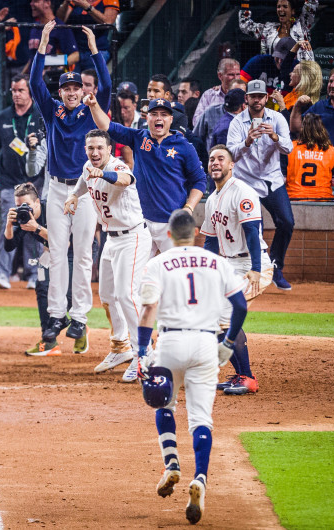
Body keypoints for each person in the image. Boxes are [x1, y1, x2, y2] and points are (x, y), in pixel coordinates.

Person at [136, 209, 248, 525]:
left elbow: (148, 309)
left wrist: (142, 351)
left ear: (169, 235)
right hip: (205, 345)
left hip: (170, 344)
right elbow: (240, 306)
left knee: (164, 402)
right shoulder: (217, 263)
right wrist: (227, 344)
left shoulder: (157, 264)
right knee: (201, 419)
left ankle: (171, 464)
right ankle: (199, 478)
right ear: (196, 234)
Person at [30, 21, 109, 350]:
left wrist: (93, 49)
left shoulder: (92, 110)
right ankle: (55, 317)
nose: (72, 92)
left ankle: (79, 317)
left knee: (83, 256)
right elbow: (35, 82)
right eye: (67, 88)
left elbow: (105, 84)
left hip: (86, 190)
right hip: (57, 190)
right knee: (57, 253)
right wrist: (45, 41)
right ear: (61, 91)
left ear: (82, 90)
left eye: (76, 87)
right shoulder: (53, 111)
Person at [64, 129, 152, 382]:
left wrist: (102, 172)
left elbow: (125, 179)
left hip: (132, 236)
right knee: (107, 295)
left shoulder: (117, 166)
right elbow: (83, 181)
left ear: (109, 149)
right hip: (111, 239)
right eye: (90, 148)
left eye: (100, 148)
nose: (94, 152)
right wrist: (73, 195)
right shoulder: (87, 166)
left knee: (127, 295)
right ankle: (120, 347)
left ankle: (143, 353)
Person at [86, 94, 206, 260]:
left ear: (171, 119)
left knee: (174, 273)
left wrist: (189, 208)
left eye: (164, 115)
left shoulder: (184, 146)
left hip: (170, 222)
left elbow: (200, 180)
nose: (159, 118)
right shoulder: (138, 137)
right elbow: (107, 126)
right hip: (141, 223)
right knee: (139, 277)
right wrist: (93, 105)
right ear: (147, 117)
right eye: (154, 114)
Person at [200, 144, 273, 396]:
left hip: (253, 264)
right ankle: (241, 373)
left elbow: (252, 232)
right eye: (211, 159)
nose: (215, 163)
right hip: (229, 263)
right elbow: (210, 240)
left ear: (232, 165)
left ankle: (247, 377)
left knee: (223, 317)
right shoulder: (212, 199)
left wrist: (254, 269)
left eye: (221, 159)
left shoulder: (242, 192)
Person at [0, 73, 44, 291]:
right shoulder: (3, 117)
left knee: (34, 227)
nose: (16, 95)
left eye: (20, 90)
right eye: (13, 91)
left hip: (36, 184)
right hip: (10, 184)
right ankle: (1, 272)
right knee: (10, 223)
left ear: (30, 92)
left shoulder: (41, 115)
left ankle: (35, 274)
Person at [226, 79, 294, 290]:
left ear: (266, 98)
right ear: (246, 99)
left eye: (260, 96)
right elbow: (230, 153)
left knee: (287, 222)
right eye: (252, 96)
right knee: (255, 231)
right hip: (246, 182)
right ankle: (257, 273)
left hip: (272, 179)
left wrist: (274, 137)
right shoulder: (237, 122)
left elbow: (289, 148)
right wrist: (246, 142)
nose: (257, 100)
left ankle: (275, 266)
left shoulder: (277, 118)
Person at [4, 183, 60, 356]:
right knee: (42, 286)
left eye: (27, 205)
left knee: (67, 293)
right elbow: (9, 246)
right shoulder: (24, 218)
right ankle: (49, 341)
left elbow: (65, 243)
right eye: (19, 205)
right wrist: (9, 225)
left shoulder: (52, 209)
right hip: (51, 252)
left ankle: (79, 324)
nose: (23, 209)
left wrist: (37, 228)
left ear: (37, 202)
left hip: (74, 251)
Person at [292, 67, 334, 188]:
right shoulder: (319, 106)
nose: (332, 85)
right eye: (330, 81)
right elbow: (296, 129)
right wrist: (297, 107)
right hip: (322, 172)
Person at [239, 0, 317, 61]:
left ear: (292, 11)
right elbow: (245, 25)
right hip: (274, 77)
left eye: (285, 6)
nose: (281, 9)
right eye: (278, 6)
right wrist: (245, 2)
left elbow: (311, 4)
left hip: (300, 76)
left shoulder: (302, 25)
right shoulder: (268, 30)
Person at [56, 0, 118, 70]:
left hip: (97, 50)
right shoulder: (74, 2)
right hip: (75, 52)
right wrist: (65, 3)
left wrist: (86, 6)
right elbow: (60, 21)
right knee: (71, 80)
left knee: (91, 79)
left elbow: (108, 22)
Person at [286, 114, 334, 200]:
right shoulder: (331, 150)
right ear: (322, 129)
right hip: (322, 199)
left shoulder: (290, 147)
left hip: (295, 197)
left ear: (302, 129)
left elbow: (282, 177)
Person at [25, 0, 79, 73]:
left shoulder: (60, 27)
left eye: (36, 1)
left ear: (47, 3)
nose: (31, 4)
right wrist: (23, 75)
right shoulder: (34, 27)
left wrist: (54, 66)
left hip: (51, 79)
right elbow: (32, 57)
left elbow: (75, 56)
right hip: (33, 76)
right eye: (31, 1)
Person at [193, 78, 247, 148]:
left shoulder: (250, 115)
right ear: (227, 92)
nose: (237, 96)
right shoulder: (211, 112)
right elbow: (196, 138)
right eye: (234, 92)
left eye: (241, 93)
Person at [192, 58, 240, 125]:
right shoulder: (209, 95)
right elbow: (196, 121)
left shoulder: (246, 96)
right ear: (220, 76)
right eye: (231, 74)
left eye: (238, 74)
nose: (235, 78)